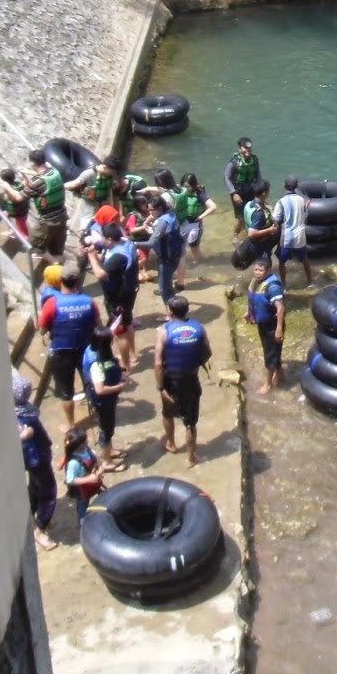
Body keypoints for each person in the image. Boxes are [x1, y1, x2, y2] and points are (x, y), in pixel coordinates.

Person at [38, 267, 101, 430]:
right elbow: (98, 325)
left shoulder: (52, 303)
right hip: (86, 349)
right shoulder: (89, 301)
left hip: (61, 350)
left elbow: (42, 329)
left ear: (60, 281)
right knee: (91, 382)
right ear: (78, 281)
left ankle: (71, 425)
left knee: (66, 391)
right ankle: (97, 415)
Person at [156, 295, 211, 466]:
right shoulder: (199, 328)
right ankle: (191, 457)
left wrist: (160, 387)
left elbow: (158, 362)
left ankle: (171, 443)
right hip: (191, 379)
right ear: (188, 310)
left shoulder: (163, 332)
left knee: (168, 413)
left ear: (170, 312)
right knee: (190, 422)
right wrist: (195, 362)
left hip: (171, 380)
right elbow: (208, 352)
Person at [13, 372, 58, 551]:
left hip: (37, 455)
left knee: (34, 486)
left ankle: (31, 518)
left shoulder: (21, 410)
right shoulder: (19, 418)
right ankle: (40, 528)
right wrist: (24, 436)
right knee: (48, 489)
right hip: (36, 457)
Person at [86, 222, 139, 366]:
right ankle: (133, 355)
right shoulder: (126, 243)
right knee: (127, 323)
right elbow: (108, 258)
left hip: (118, 297)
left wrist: (91, 257)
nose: (101, 240)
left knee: (119, 332)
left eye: (103, 237)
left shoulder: (119, 256)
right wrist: (95, 248)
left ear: (110, 239)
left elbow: (100, 274)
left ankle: (126, 365)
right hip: (129, 291)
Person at [83, 326, 131, 471]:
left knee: (108, 427)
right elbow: (100, 389)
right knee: (106, 429)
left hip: (108, 399)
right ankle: (106, 462)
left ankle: (110, 450)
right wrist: (119, 387)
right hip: (103, 401)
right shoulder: (96, 363)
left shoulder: (93, 349)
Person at [22, 148, 69, 278]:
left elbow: (18, 197)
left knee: (35, 243)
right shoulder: (55, 172)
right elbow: (43, 177)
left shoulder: (38, 182)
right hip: (62, 215)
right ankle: (65, 272)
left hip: (48, 219)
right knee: (57, 249)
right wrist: (27, 173)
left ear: (32, 163)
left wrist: (6, 186)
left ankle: (56, 265)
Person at [246, 255, 286, 394]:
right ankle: (280, 375)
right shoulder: (256, 282)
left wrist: (279, 329)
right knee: (272, 350)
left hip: (272, 325)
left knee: (270, 353)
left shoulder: (273, 286)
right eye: (256, 270)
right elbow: (253, 299)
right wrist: (248, 313)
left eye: (260, 270)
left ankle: (267, 384)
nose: (257, 272)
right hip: (262, 323)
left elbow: (280, 308)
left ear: (268, 271)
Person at [67, 154, 129, 233]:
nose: (113, 175)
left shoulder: (108, 177)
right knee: (85, 232)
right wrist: (60, 187)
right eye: (112, 172)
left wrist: (111, 208)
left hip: (102, 208)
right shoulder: (89, 174)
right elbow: (74, 184)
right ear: (106, 167)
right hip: (89, 208)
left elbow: (109, 193)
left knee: (104, 231)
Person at [273, 174, 313, 289]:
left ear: (284, 186)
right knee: (305, 259)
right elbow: (305, 216)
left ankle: (284, 286)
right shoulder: (302, 200)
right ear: (296, 187)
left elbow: (276, 220)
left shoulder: (281, 202)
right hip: (300, 236)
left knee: (281, 262)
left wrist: (269, 211)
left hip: (287, 238)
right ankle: (310, 282)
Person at [146, 195, 184, 312]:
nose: (150, 212)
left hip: (167, 258)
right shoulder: (170, 215)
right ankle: (174, 310)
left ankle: (172, 315)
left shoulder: (163, 221)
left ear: (160, 208)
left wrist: (131, 243)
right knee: (166, 284)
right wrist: (152, 230)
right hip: (174, 254)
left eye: (152, 210)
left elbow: (150, 243)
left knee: (165, 289)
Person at [176, 172, 218, 277]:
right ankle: (183, 263)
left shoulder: (200, 194)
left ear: (193, 185)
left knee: (193, 244)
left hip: (195, 224)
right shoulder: (180, 192)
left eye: (188, 186)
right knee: (181, 244)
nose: (185, 188)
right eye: (184, 186)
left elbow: (213, 207)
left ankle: (201, 264)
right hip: (183, 222)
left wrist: (201, 217)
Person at [62, 429, 105, 525]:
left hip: (94, 483)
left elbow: (96, 457)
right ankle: (83, 525)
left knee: (103, 493)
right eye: (86, 439)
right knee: (83, 507)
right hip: (83, 490)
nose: (88, 440)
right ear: (81, 445)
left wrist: (100, 467)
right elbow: (70, 480)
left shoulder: (86, 449)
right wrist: (89, 479)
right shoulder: (73, 463)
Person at [225, 137, 261, 235]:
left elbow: (258, 176)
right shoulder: (235, 161)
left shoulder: (254, 159)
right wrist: (233, 193)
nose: (247, 150)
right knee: (240, 216)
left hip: (251, 190)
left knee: (252, 212)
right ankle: (235, 236)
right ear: (240, 149)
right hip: (238, 191)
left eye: (249, 148)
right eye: (245, 148)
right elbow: (226, 177)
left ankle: (247, 233)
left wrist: (260, 191)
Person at [241, 179, 280, 255]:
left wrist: (270, 210)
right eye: (268, 190)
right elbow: (251, 233)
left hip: (252, 243)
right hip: (260, 244)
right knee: (264, 263)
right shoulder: (259, 213)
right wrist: (270, 230)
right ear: (264, 193)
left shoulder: (249, 204)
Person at [0, 167, 30, 239]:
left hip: (18, 212)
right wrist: (23, 174)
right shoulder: (19, 184)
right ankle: (12, 230)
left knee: (22, 227)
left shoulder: (9, 190)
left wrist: (5, 190)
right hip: (23, 209)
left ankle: (25, 240)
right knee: (5, 214)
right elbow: (26, 181)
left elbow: (8, 197)